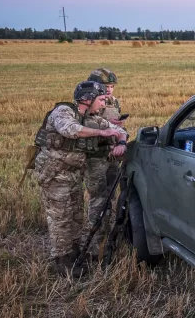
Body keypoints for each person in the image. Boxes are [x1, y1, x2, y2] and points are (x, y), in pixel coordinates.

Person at [32, 81, 127, 275]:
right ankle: (62, 262)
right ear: (87, 99)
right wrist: (102, 132)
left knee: (76, 215)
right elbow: (70, 130)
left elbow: (119, 131)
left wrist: (122, 143)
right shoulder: (64, 112)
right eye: (101, 100)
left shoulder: (90, 118)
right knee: (61, 218)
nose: (104, 104)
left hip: (73, 174)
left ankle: (73, 254)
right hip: (54, 174)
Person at [84, 68, 125, 258]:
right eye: (105, 86)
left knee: (110, 197)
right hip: (96, 158)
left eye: (111, 86)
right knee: (98, 199)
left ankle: (109, 238)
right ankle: (95, 245)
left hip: (112, 157)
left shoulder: (114, 102)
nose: (109, 90)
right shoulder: (87, 103)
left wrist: (118, 127)